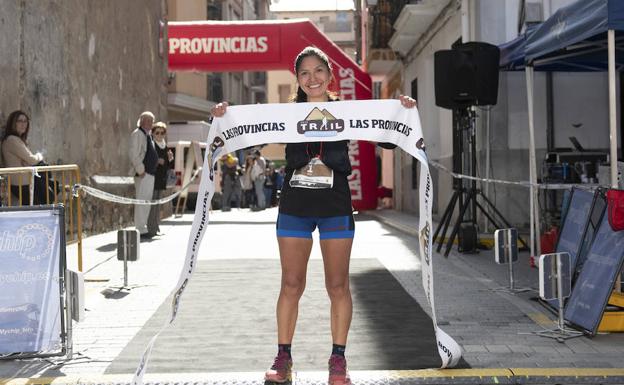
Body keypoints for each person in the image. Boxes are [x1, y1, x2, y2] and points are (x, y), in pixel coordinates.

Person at [210, 46, 417, 385]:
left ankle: (338, 361)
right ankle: (283, 358)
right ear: (298, 79)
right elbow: (242, 133)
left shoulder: (346, 111)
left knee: (337, 285)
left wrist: (403, 112)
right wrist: (224, 114)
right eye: (304, 72)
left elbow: (390, 140)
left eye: (318, 70)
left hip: (335, 204)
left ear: (330, 75)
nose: (312, 78)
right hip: (295, 206)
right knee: (291, 283)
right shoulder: (286, 114)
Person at [1, 110, 45, 205]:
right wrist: (39, 156)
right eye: (20, 121)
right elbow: (32, 160)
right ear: (13, 123)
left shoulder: (17, 140)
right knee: (38, 210)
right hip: (21, 184)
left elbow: (28, 161)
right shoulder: (12, 140)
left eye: (25, 121)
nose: (23, 124)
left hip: (24, 183)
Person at [129, 111, 158, 239]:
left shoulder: (149, 135)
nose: (150, 123)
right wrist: (140, 170)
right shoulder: (137, 134)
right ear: (141, 121)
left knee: (146, 201)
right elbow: (133, 153)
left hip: (150, 174)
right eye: (147, 121)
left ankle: (143, 227)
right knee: (141, 201)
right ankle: (140, 229)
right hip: (142, 173)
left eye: (151, 121)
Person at [147, 121, 174, 235]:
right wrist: (157, 161)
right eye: (157, 132)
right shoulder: (152, 145)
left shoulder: (165, 146)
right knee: (152, 205)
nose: (160, 135)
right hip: (153, 177)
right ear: (153, 133)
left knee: (158, 205)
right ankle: (150, 229)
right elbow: (147, 159)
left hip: (161, 179)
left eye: (162, 133)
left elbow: (168, 166)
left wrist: (170, 159)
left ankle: (156, 227)